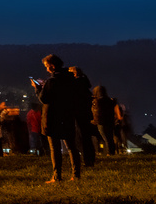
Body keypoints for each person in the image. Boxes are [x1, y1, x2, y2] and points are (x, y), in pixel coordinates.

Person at [35, 55, 87, 183]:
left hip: (52, 117)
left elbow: (44, 99)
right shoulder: (70, 79)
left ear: (52, 66)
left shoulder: (52, 81)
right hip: (67, 115)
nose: (47, 70)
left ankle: (57, 176)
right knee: (71, 147)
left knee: (55, 148)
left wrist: (38, 89)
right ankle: (76, 175)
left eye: (47, 67)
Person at [92, 86, 120, 156]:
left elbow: (96, 112)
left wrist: (94, 120)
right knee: (110, 137)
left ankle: (109, 152)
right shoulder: (109, 100)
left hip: (101, 121)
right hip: (110, 121)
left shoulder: (97, 101)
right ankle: (111, 152)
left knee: (106, 137)